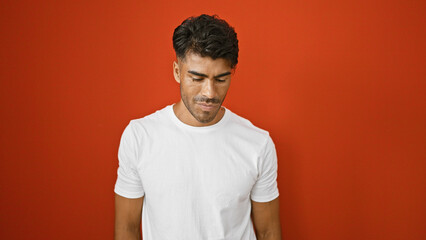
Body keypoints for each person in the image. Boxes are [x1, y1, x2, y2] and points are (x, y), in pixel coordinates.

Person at [114, 14, 281, 240]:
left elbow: (269, 232)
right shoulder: (140, 136)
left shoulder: (258, 143)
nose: (209, 93)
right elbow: (127, 229)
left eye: (221, 79)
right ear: (177, 72)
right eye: (197, 78)